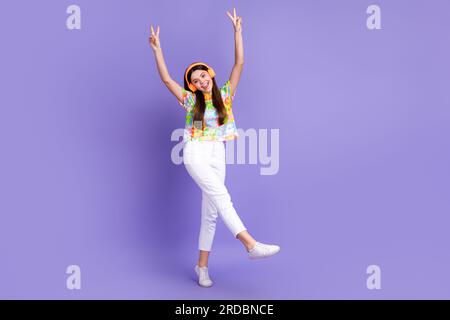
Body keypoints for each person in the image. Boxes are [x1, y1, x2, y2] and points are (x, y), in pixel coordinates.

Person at [149, 8, 280, 288]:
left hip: (218, 152)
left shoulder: (225, 96)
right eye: (195, 80)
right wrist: (157, 50)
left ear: (210, 75)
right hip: (195, 150)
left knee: (210, 212)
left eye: (203, 76)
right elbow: (167, 80)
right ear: (192, 86)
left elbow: (240, 63)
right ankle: (249, 244)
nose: (200, 81)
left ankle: (202, 267)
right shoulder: (189, 101)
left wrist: (237, 32)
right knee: (222, 195)